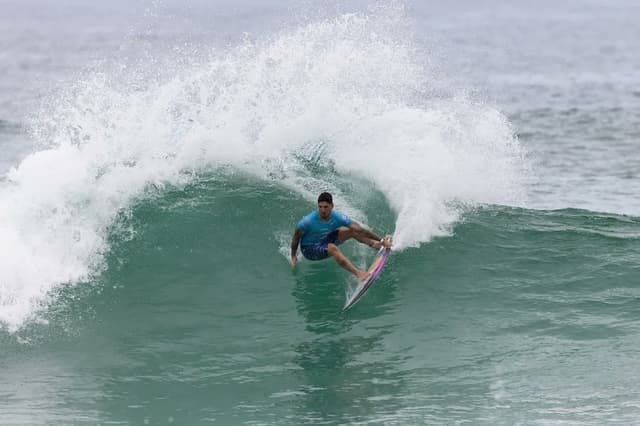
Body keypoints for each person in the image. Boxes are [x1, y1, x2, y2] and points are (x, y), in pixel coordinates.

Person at [291, 192, 392, 281]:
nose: (322, 210)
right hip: (309, 250)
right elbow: (296, 238)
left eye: (326, 207)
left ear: (332, 206)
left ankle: (376, 244)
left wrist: (382, 240)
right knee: (332, 248)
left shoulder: (337, 217)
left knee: (352, 230)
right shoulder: (308, 221)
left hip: (325, 240)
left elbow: (360, 230)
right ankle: (359, 274)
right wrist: (293, 256)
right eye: (320, 207)